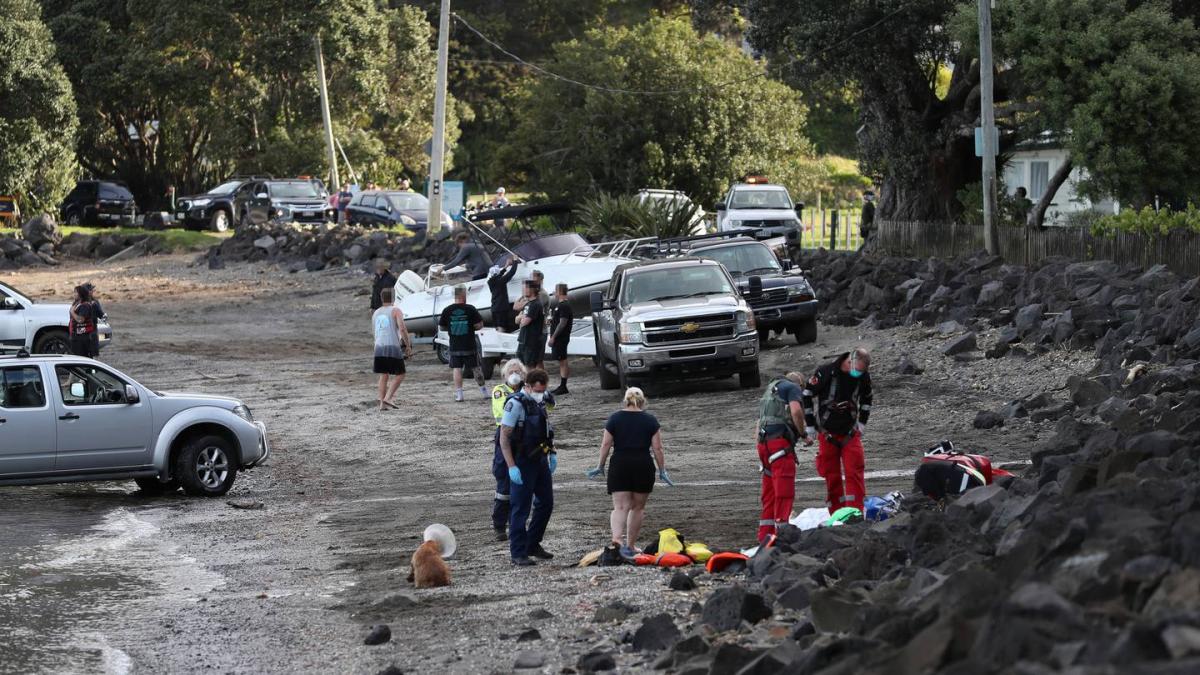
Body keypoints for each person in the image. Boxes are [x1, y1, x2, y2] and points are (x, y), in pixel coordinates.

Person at [587, 387, 671, 559]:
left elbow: (605, 445)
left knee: (620, 506)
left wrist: (600, 465)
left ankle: (617, 541)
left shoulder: (615, 418)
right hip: (642, 464)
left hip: (620, 464)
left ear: (625, 400)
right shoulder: (650, 420)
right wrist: (662, 469)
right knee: (638, 507)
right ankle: (631, 546)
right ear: (642, 401)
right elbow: (658, 448)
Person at [802, 348, 873, 515]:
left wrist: (862, 423)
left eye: (862, 372)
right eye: (857, 370)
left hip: (850, 433)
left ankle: (856, 513)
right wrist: (810, 425)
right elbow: (807, 394)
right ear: (849, 362)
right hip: (827, 434)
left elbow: (867, 398)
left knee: (854, 472)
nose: (859, 374)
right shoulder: (826, 372)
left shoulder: (863, 376)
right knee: (831, 476)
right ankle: (837, 513)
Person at [498, 368, 557, 566]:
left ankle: (532, 543)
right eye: (537, 390)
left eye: (543, 390)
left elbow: (546, 429)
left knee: (546, 503)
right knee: (520, 508)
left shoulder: (540, 401)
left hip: (539, 459)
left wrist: (553, 453)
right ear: (528, 386)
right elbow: (504, 438)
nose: (541, 393)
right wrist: (511, 467)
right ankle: (518, 551)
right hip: (521, 461)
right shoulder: (515, 405)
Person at [755, 372, 813, 542]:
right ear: (800, 385)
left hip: (763, 446)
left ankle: (765, 536)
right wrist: (803, 434)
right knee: (784, 491)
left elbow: (759, 423)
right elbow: (796, 412)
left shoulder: (769, 392)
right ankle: (782, 536)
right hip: (779, 446)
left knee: (769, 494)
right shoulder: (793, 388)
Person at [490, 359, 527, 541]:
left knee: (522, 486)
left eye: (518, 372)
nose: (515, 375)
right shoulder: (499, 391)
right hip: (505, 434)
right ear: (504, 375)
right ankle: (499, 525)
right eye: (511, 371)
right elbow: (503, 410)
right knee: (504, 485)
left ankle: (517, 524)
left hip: (523, 438)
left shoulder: (527, 390)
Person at [439, 285, 486, 402]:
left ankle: (460, 395)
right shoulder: (471, 309)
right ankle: (484, 392)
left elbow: (442, 327)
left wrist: (452, 328)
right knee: (476, 368)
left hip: (455, 345)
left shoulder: (447, 310)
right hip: (469, 344)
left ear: (455, 296)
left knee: (457, 368)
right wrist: (471, 327)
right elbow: (480, 325)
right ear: (464, 295)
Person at [372, 288, 412, 410]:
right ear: (393, 298)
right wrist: (408, 345)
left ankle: (382, 404)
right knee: (400, 373)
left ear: (381, 298)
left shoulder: (376, 313)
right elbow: (402, 328)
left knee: (383, 375)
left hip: (378, 346)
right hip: (392, 346)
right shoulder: (395, 310)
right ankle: (388, 398)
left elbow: (374, 331)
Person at [548, 283, 573, 395]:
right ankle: (562, 385)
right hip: (559, 337)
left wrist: (553, 337)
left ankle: (563, 386)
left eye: (555, 290)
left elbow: (562, 323)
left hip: (561, 338)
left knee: (563, 360)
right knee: (561, 360)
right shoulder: (560, 305)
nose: (554, 293)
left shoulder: (564, 306)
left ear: (559, 291)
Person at [515, 280, 545, 370]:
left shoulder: (536, 304)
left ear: (532, 289)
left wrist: (521, 318)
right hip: (523, 339)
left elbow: (525, 322)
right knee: (520, 364)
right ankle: (526, 383)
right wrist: (521, 317)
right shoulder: (528, 304)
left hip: (531, 341)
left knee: (530, 366)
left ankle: (531, 383)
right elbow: (517, 320)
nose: (523, 290)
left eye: (525, 288)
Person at [69, 285, 101, 358]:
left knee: (83, 358)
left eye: (76, 292)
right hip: (76, 336)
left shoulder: (85, 305)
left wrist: (72, 312)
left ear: (81, 294)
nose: (74, 294)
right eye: (74, 292)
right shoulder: (76, 304)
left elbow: (81, 319)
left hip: (83, 337)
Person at [487, 260, 520, 332]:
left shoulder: (490, 281)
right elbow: (512, 272)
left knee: (497, 327)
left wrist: (506, 266)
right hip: (501, 308)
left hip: (494, 308)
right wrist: (515, 261)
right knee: (502, 327)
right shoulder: (500, 281)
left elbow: (498, 275)